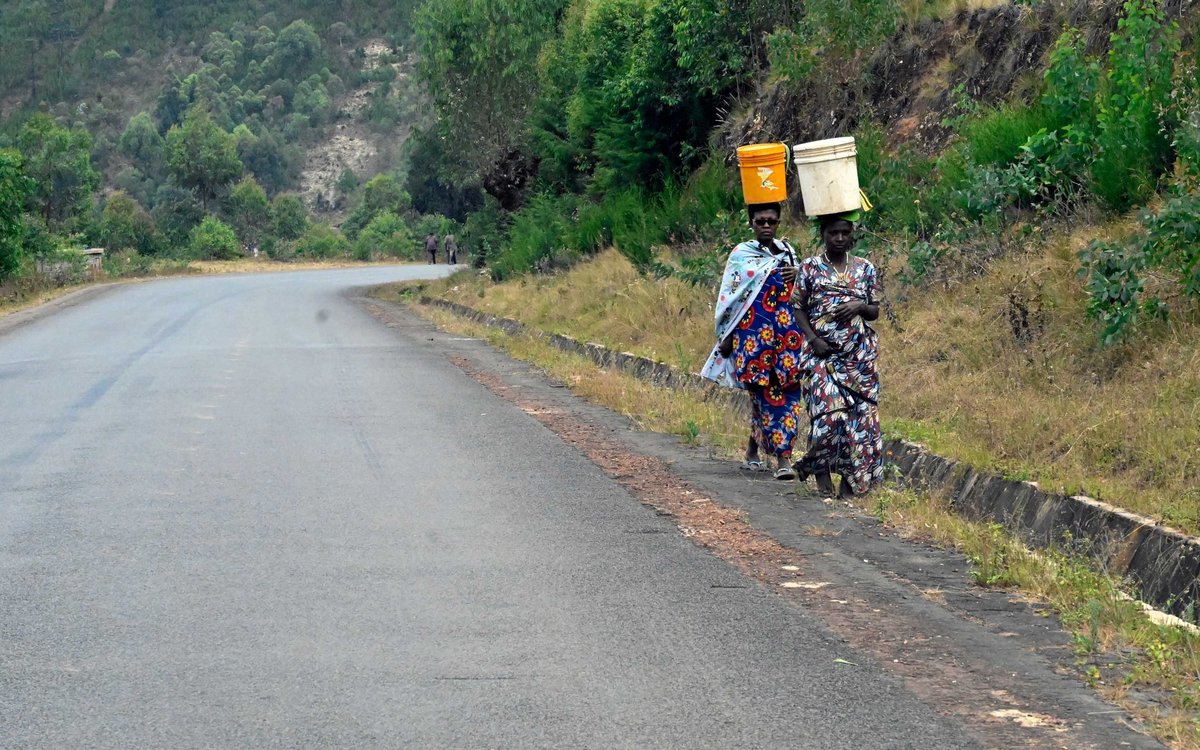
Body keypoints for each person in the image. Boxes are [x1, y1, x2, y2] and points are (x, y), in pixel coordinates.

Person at [702, 203, 806, 480]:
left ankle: (777, 456)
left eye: (771, 221)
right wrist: (727, 336)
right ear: (751, 222)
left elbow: (803, 292)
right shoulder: (741, 255)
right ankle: (772, 456)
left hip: (786, 335)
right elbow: (730, 298)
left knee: (788, 391)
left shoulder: (789, 253)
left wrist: (799, 275)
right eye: (760, 221)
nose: (766, 226)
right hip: (752, 338)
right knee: (761, 395)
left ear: (779, 222)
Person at [792, 212, 884, 498]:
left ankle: (849, 484)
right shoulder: (810, 268)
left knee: (859, 421)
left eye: (845, 232)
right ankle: (820, 475)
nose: (840, 238)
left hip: (858, 357)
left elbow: (875, 311)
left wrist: (858, 305)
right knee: (830, 418)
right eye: (834, 233)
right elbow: (797, 307)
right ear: (823, 235)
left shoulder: (865, 269)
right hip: (821, 355)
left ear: (852, 234)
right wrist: (813, 339)